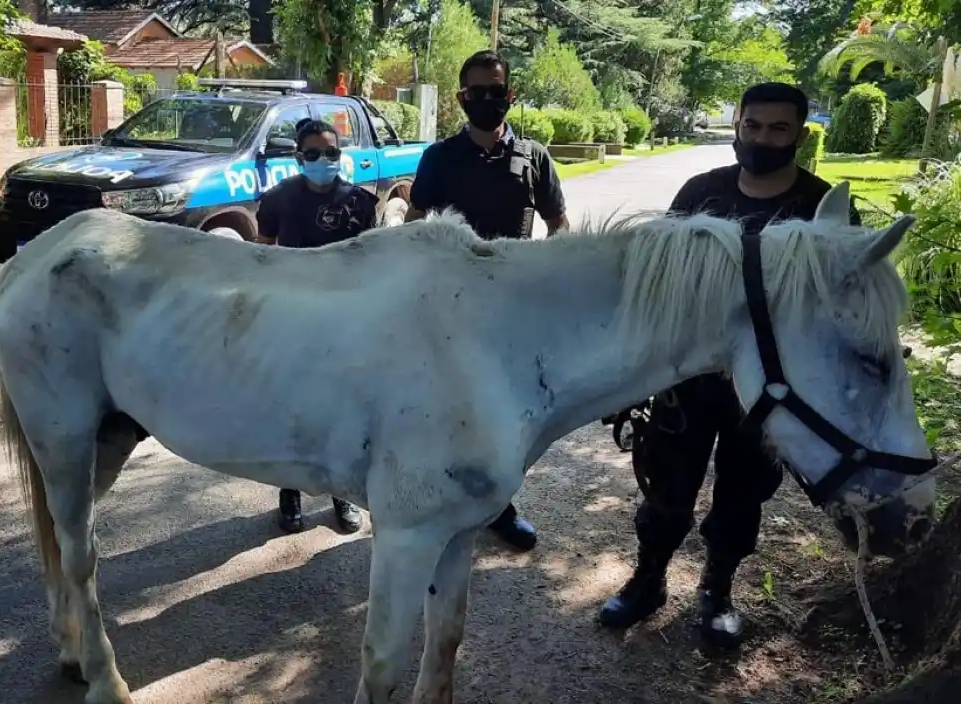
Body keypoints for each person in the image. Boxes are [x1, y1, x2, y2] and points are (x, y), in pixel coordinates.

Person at [597, 82, 862, 647]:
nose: (762, 139)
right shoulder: (702, 191)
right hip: (691, 383)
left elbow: (841, 306)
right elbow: (659, 283)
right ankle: (648, 583)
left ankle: (717, 592)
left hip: (771, 393)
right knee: (666, 491)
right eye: (753, 127)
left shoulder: (823, 209)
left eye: (778, 129)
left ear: (799, 134)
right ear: (738, 126)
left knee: (743, 497)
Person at [405, 49, 570, 552]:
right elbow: (414, 222)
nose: (487, 100)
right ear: (461, 98)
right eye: (477, 92)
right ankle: (444, 499)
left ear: (510, 94)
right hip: (452, 307)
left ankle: (499, 505)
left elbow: (559, 224)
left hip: (514, 309)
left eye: (496, 91)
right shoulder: (439, 158)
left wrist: (548, 272)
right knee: (448, 404)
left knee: (511, 413)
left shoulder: (535, 157)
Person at [256, 117, 377, 535]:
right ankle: (289, 492)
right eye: (313, 154)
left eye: (331, 153)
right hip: (292, 322)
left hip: (343, 324)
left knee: (340, 413)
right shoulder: (276, 200)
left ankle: (340, 493)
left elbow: (371, 265)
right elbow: (262, 260)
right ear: (298, 157)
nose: (323, 160)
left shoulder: (361, 202)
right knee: (290, 412)